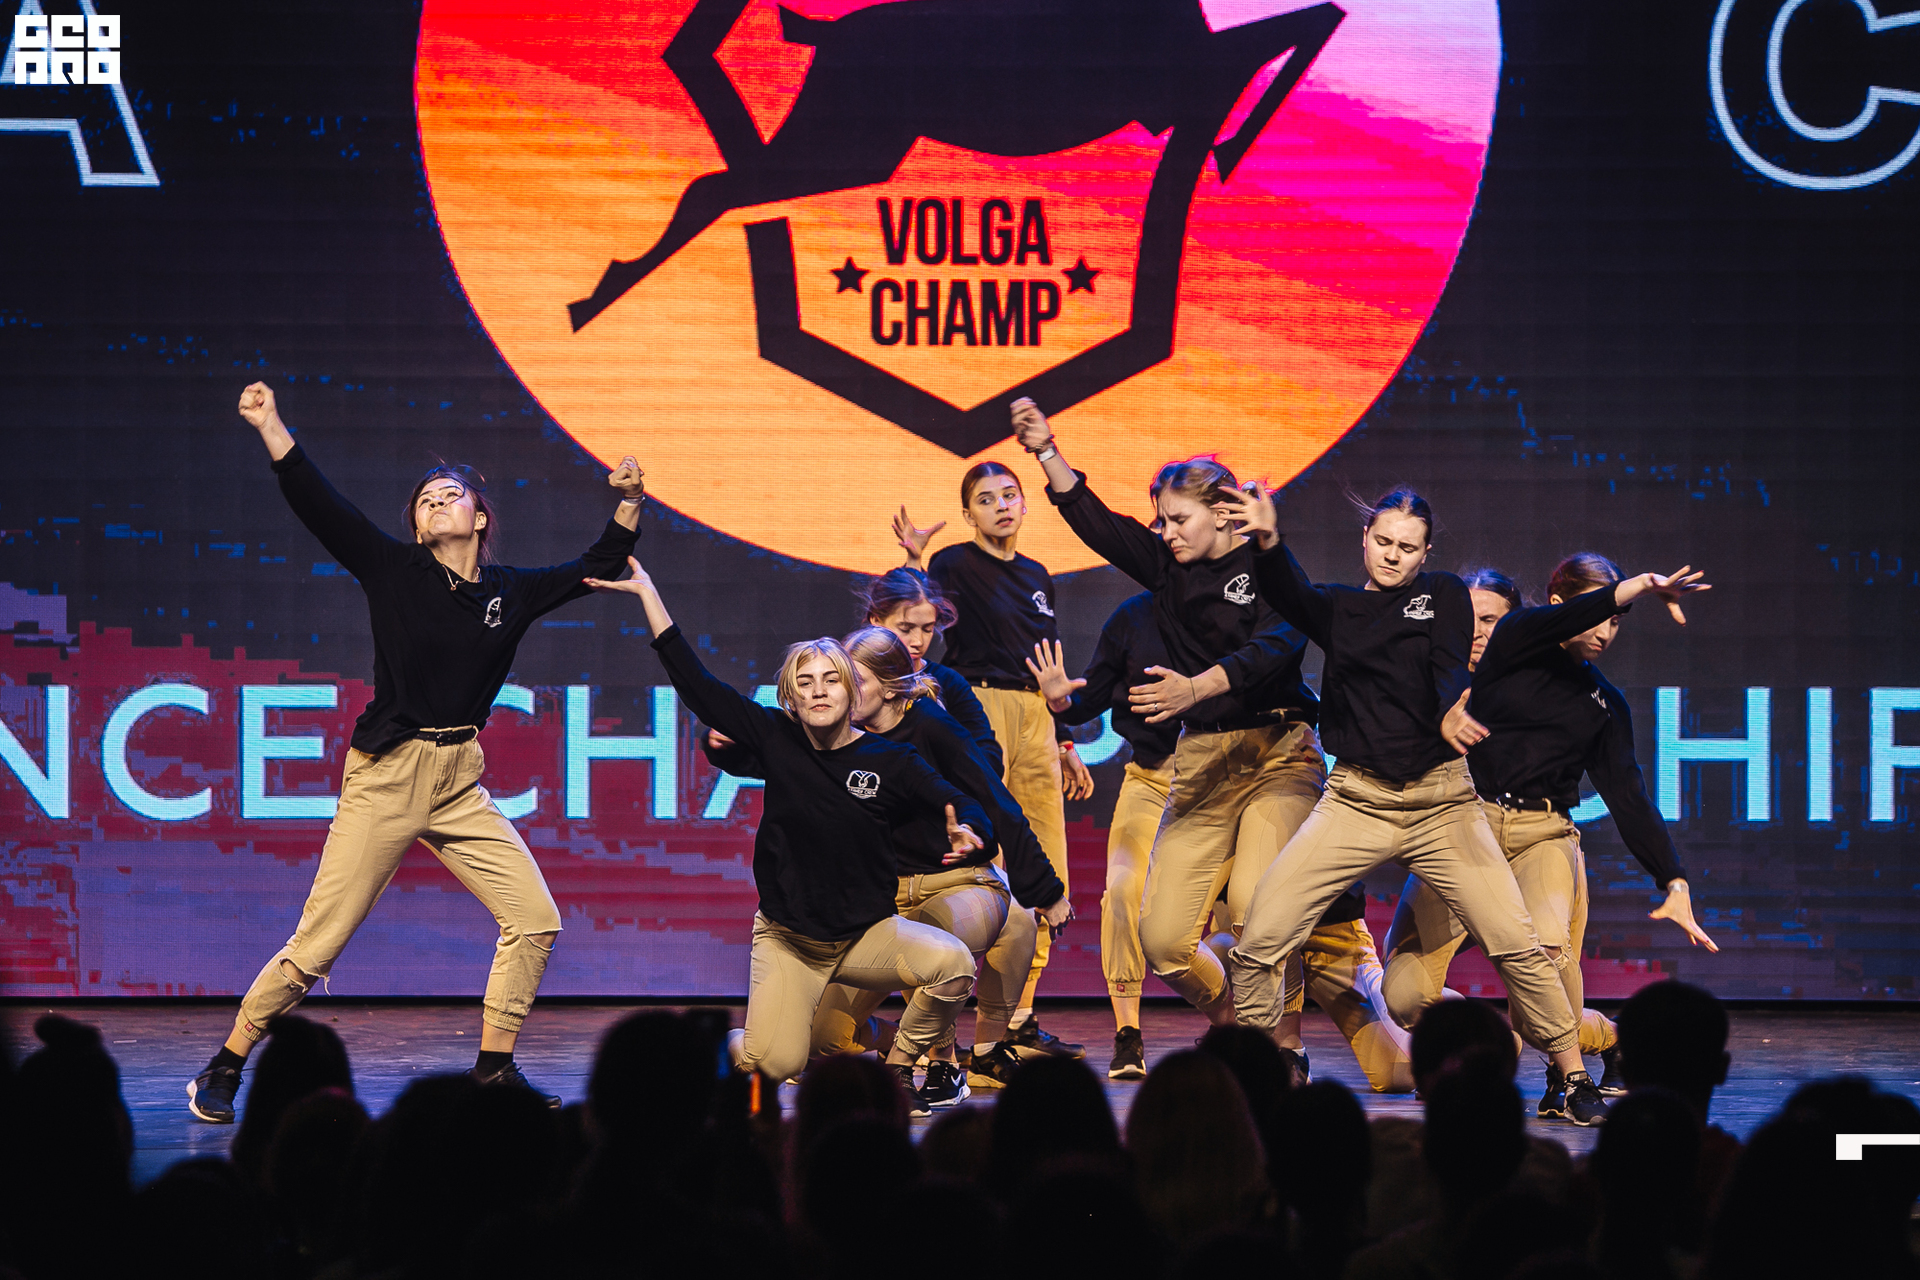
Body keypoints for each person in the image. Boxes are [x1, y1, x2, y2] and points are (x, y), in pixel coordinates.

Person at [187, 383, 647, 1124]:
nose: (435, 503)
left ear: (479, 517)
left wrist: (629, 499)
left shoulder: (510, 591)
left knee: (535, 919)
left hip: (459, 779)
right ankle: (226, 1062)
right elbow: (319, 504)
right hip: (389, 775)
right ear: (416, 525)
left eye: (450, 495)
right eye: (425, 500)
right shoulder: (393, 571)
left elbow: (601, 560)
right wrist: (271, 424)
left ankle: (493, 1070)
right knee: (318, 946)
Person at [1215, 481, 1613, 1125]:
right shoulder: (1339, 608)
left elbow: (1448, 663)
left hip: (1440, 804)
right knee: (1261, 934)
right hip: (1356, 800)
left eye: (1407, 547)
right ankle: (1259, 1067)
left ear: (1425, 553)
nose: (1392, 555)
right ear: (1365, 540)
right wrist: (1267, 541)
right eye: (1383, 541)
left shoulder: (1445, 596)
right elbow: (1291, 594)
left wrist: (1452, 708)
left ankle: (1570, 1074)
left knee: (1516, 942)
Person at [1012, 401, 1393, 1071]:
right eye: (1160, 520)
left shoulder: (1267, 565)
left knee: (1253, 908)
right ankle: (1239, 1020)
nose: (1165, 533)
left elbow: (1278, 645)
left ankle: (1279, 1046)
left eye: (1177, 519)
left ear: (1222, 513)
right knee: (1161, 940)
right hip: (1204, 763)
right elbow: (1098, 524)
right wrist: (1047, 451)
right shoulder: (1169, 568)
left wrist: (1197, 687)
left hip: (1278, 754)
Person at [585, 555, 991, 1114]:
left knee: (954, 964)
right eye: (805, 682)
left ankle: (898, 1069)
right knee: (778, 1063)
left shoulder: (890, 760)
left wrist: (970, 827)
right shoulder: (777, 737)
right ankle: (741, 1045)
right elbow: (697, 684)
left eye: (831, 680)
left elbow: (959, 798)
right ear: (791, 698)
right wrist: (649, 596)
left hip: (867, 935)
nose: (819, 691)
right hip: (790, 942)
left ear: (852, 691)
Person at [1382, 554, 1716, 1119]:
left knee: (1544, 971)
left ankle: (1574, 1071)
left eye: (1616, 621)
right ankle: (1510, 1040)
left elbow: (1628, 796)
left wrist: (1674, 879)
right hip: (1466, 826)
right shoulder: (1512, 643)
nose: (1606, 630)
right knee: (1404, 994)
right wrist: (1638, 586)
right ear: (1559, 606)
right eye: (1598, 613)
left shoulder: (1604, 703)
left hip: (1543, 836)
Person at [1029, 611, 1414, 1091]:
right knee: (1206, 928)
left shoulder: (1288, 771)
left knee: (1400, 1073)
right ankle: (1249, 1035)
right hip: (1252, 950)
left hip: (1330, 937)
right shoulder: (1198, 794)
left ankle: (1424, 1003)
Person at [703, 625, 1073, 1101]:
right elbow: (776, 761)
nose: (837, 688)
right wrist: (721, 743)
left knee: (941, 945)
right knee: (822, 1041)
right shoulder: (829, 736)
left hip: (956, 882)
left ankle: (930, 1064)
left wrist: (1046, 890)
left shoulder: (932, 728)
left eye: (850, 679)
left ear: (890, 687)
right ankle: (900, 1042)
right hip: (885, 900)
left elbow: (994, 801)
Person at [896, 467, 1090, 1056]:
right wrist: (915, 559)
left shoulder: (1037, 575)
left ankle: (1018, 1015)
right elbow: (909, 613)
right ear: (968, 514)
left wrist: (1063, 740)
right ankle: (959, 1021)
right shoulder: (954, 564)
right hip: (980, 705)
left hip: (1037, 715)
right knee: (990, 852)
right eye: (985, 499)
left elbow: (1044, 664)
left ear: (1025, 505)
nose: (1001, 506)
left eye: (1009, 495)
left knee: (1044, 851)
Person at [857, 567, 1003, 771]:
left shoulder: (949, 682)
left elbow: (989, 757)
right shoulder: (851, 679)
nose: (918, 641)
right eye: (905, 629)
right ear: (876, 620)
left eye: (928, 629)